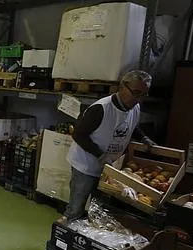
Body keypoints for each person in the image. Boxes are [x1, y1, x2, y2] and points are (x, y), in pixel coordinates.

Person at [65, 70, 156, 220]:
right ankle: (66, 238)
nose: (138, 99)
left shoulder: (135, 108)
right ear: (122, 87)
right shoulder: (101, 109)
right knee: (76, 208)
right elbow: (78, 134)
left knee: (98, 210)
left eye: (143, 94)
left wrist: (144, 138)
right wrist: (100, 154)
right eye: (136, 92)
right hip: (85, 165)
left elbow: (131, 126)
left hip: (108, 168)